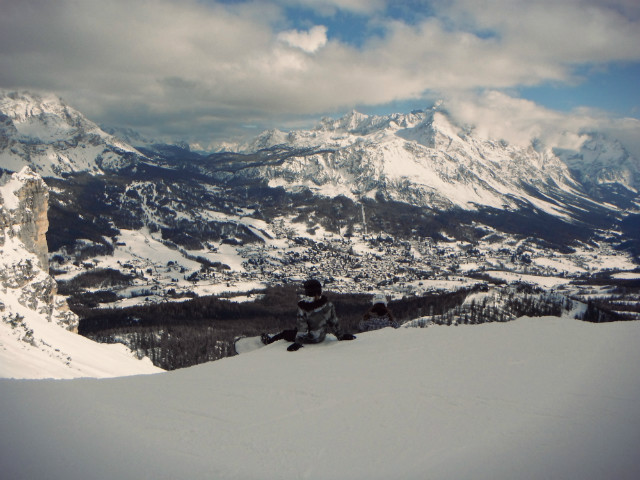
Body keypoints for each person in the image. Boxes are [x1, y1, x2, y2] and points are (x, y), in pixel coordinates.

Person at [261, 279, 356, 352]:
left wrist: (298, 343)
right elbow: (333, 322)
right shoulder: (328, 305)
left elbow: (302, 328)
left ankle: (269, 341)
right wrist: (341, 335)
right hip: (321, 336)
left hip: (309, 338)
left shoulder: (304, 307)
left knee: (285, 333)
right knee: (294, 330)